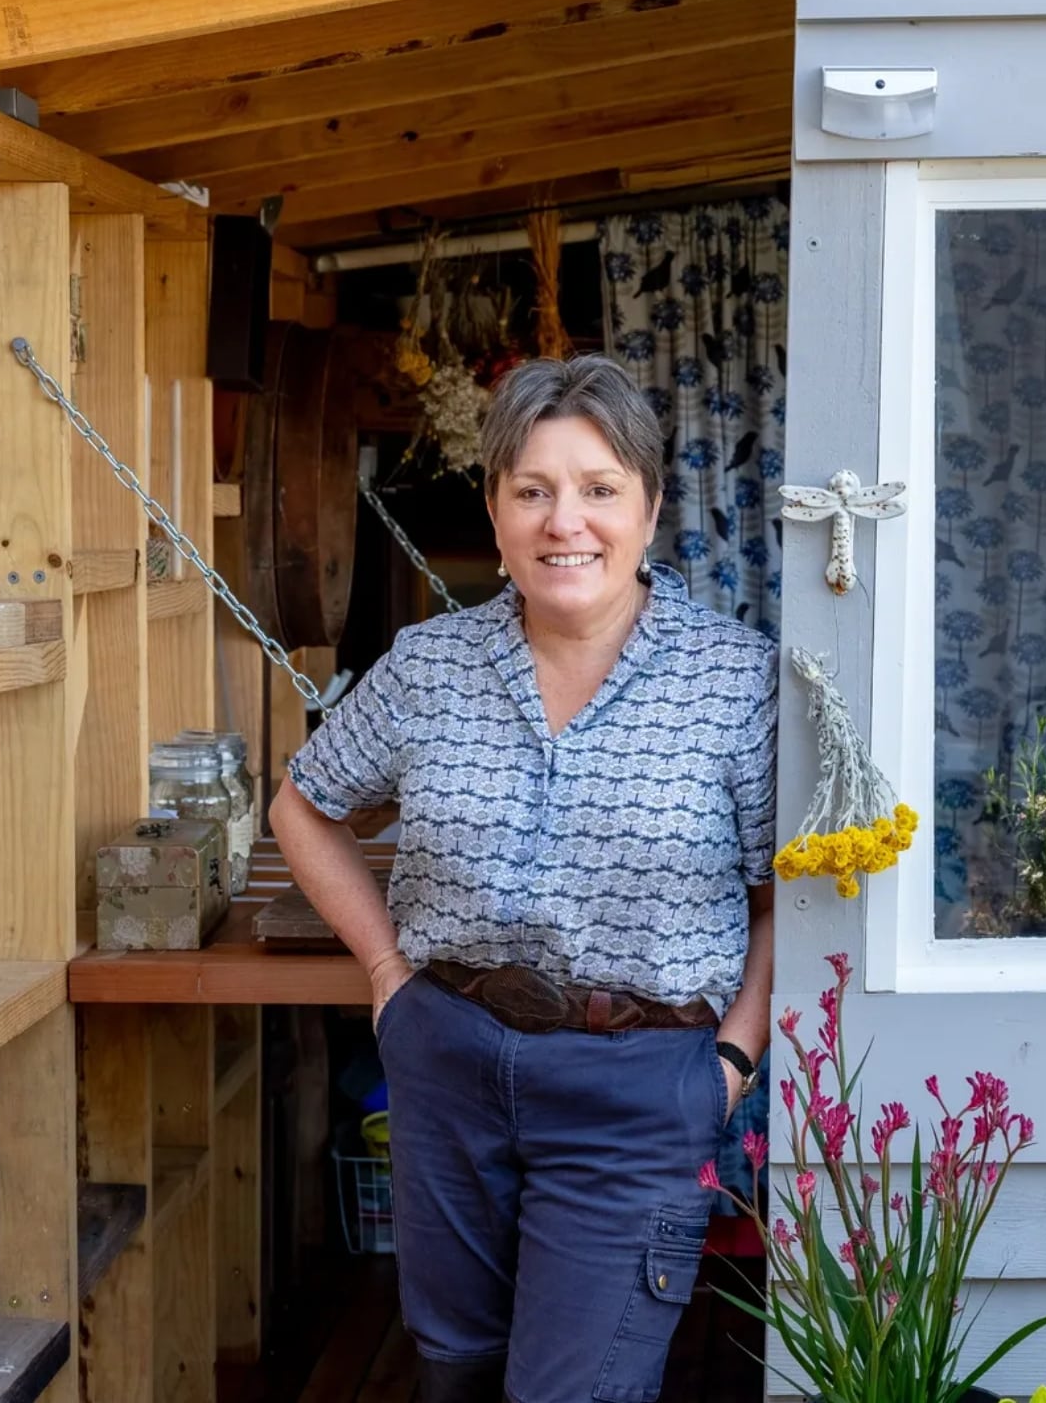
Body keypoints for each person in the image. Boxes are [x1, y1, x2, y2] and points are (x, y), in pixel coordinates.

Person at [271, 354, 777, 1403]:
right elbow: (303, 805)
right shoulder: (429, 664)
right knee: (454, 1370)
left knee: (574, 1390)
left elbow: (789, 895)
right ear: (496, 512)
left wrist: (726, 1063)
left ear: (649, 507)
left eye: (599, 490)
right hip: (450, 1060)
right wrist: (385, 973)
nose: (566, 523)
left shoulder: (735, 682)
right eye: (533, 491)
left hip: (640, 1084)